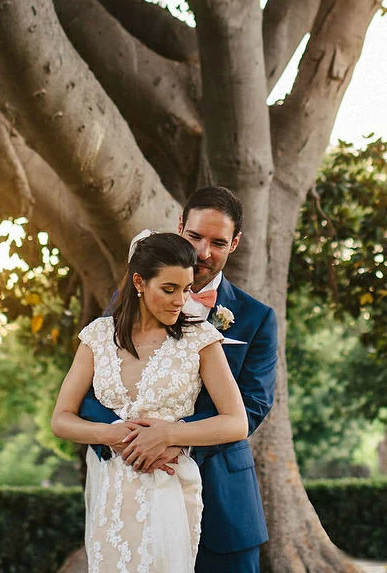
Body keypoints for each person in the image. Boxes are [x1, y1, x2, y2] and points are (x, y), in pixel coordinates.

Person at [78, 187, 278, 573]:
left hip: (223, 500)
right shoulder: (128, 300)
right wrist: (128, 438)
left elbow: (252, 407)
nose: (204, 252)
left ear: (234, 244)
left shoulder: (256, 318)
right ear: (180, 227)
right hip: (137, 498)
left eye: (218, 242)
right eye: (196, 237)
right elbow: (93, 386)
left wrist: (174, 437)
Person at [53, 232, 249, 573]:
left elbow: (236, 421)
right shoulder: (98, 336)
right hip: (110, 492)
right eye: (169, 289)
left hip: (167, 489)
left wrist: (170, 435)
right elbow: (61, 419)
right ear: (139, 282)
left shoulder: (199, 339)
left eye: (187, 289)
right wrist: (110, 434)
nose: (180, 300)